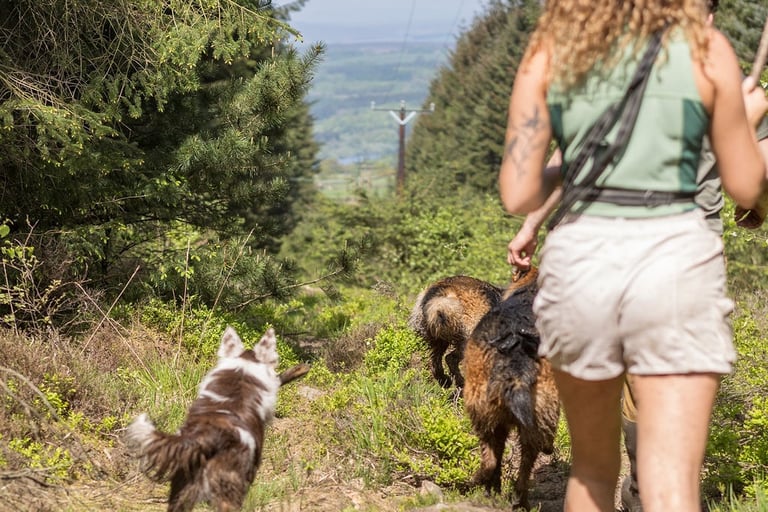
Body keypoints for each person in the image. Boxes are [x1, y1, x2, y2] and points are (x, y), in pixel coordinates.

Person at [497, 1, 768, 511]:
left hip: (581, 262)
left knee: (592, 473)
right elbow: (746, 183)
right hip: (674, 257)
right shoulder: (707, 49)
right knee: (671, 484)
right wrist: (745, 116)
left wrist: (580, 171)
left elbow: (518, 193)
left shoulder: (552, 47)